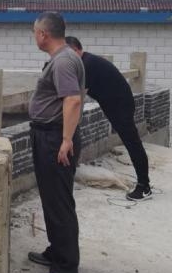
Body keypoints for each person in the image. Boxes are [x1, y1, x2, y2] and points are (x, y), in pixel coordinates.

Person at [27, 12, 84, 273]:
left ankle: (66, 269)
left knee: (59, 202)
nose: (34, 36)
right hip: (50, 136)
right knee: (53, 199)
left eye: (35, 32)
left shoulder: (62, 61)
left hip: (54, 139)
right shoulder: (66, 57)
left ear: (44, 34)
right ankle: (57, 251)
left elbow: (72, 100)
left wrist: (66, 140)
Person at [64, 36, 152, 201]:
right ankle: (143, 183)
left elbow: (78, 98)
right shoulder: (87, 61)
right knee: (132, 143)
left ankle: (144, 186)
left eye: (66, 54)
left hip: (120, 105)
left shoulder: (86, 65)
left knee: (133, 144)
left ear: (75, 50)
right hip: (118, 103)